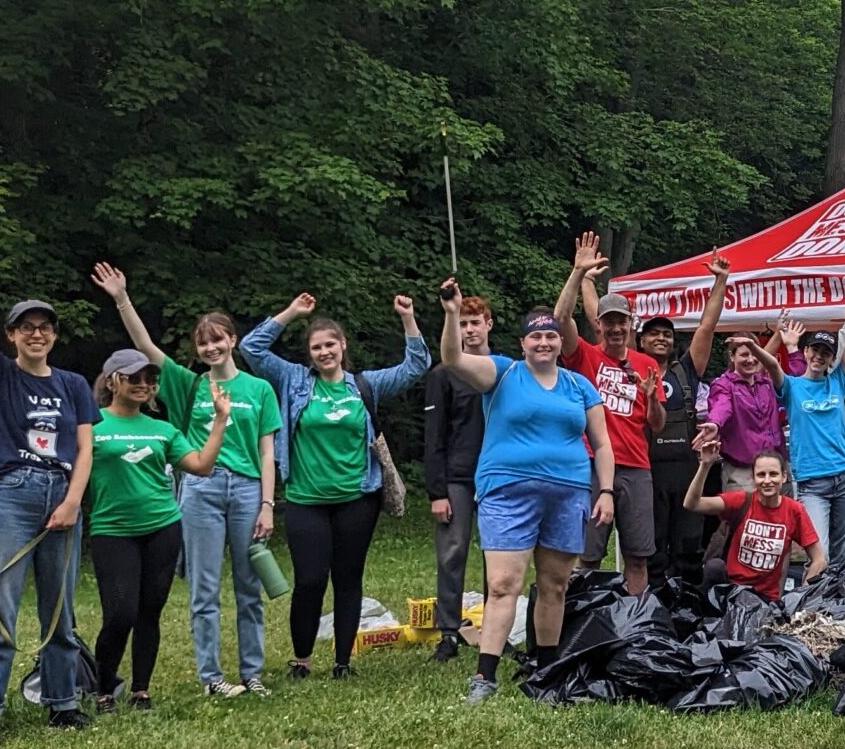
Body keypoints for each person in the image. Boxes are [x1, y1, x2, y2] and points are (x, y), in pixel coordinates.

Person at [0, 220, 96, 749]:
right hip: (12, 492)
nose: (36, 333)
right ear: (12, 336)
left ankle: (63, 704)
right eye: (25, 327)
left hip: (62, 493)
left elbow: (85, 447)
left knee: (60, 609)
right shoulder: (1, 376)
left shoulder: (73, 384)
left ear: (53, 334)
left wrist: (74, 501)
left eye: (44, 326)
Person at [90, 262, 284, 696]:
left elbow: (268, 451)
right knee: (204, 590)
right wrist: (122, 297)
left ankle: (252, 673)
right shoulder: (187, 384)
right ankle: (212, 678)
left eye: (218, 339)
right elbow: (144, 346)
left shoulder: (259, 389)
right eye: (203, 342)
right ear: (197, 351)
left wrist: (268, 504)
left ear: (232, 340)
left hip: (249, 488)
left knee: (250, 588)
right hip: (200, 490)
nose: (211, 347)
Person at [241, 290, 430, 680]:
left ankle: (343, 662)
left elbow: (416, 365)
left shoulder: (365, 385)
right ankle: (303, 659)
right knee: (309, 581)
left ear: (343, 346)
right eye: (316, 347)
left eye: (330, 344)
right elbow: (251, 348)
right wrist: (292, 312)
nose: (324, 352)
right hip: (305, 499)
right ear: (309, 352)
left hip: (357, 498)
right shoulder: (293, 379)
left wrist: (407, 318)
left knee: (348, 579)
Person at [441, 291, 617, 703]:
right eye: (535, 338)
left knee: (555, 585)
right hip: (507, 490)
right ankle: (485, 676)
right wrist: (452, 314)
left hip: (568, 493)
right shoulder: (502, 374)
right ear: (522, 344)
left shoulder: (580, 385)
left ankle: (548, 673)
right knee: (504, 584)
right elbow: (452, 358)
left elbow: (603, 444)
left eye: (551, 337)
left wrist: (605, 490)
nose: (543, 343)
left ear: (560, 342)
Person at [85, 349, 230, 713]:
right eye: (134, 378)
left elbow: (201, 466)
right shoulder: (91, 425)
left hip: (163, 529)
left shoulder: (163, 429)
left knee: (150, 610)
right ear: (113, 380)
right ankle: (104, 691)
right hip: (112, 531)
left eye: (149, 379)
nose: (144, 385)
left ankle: (141, 691)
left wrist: (220, 422)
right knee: (120, 613)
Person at [562, 234, 667, 597]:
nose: (616, 328)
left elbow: (657, 425)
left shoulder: (647, 364)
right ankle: (579, 619)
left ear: (630, 324)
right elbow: (561, 322)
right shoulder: (587, 357)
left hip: (637, 467)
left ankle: (636, 626)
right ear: (599, 325)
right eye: (609, 322)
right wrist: (579, 275)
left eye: (622, 321)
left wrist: (652, 400)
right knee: (588, 554)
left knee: (638, 556)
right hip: (591, 464)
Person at [638, 266, 727, 583]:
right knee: (653, 546)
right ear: (641, 341)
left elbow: (706, 327)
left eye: (667, 334)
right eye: (654, 334)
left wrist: (721, 281)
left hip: (687, 470)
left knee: (689, 545)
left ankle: (688, 607)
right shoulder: (630, 370)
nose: (661, 338)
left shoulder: (685, 371)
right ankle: (652, 607)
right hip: (649, 470)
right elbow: (600, 332)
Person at [419, 292, 491, 661]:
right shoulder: (443, 374)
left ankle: (495, 630)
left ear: (488, 325)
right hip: (457, 478)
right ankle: (448, 633)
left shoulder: (503, 370)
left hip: (496, 476)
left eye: (475, 322)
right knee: (453, 553)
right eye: (462, 324)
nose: (470, 330)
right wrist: (437, 491)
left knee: (497, 557)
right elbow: (434, 436)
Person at [702, 268, 788, 567]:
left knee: (773, 529)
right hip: (741, 471)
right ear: (732, 358)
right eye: (743, 355)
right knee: (739, 528)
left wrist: (777, 334)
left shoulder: (765, 381)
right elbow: (721, 408)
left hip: (774, 467)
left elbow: (769, 358)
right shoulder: (724, 385)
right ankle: (720, 574)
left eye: (753, 354)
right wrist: (714, 424)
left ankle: (769, 582)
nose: (750, 359)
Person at [781, 306, 845, 569]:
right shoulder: (791, 386)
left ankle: (840, 608)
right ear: (806, 353)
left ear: (832, 359)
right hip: (812, 482)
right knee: (820, 555)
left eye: (826, 353)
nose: (819, 356)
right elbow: (771, 366)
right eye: (815, 350)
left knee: (844, 554)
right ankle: (812, 606)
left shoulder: (838, 381)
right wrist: (783, 341)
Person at [682, 444, 821, 601]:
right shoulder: (741, 501)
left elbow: (819, 560)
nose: (767, 481)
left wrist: (799, 598)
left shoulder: (794, 510)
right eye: (761, 475)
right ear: (753, 478)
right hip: (733, 592)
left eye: (773, 474)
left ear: (784, 477)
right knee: (714, 567)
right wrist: (705, 465)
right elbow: (691, 504)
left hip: (766, 599)